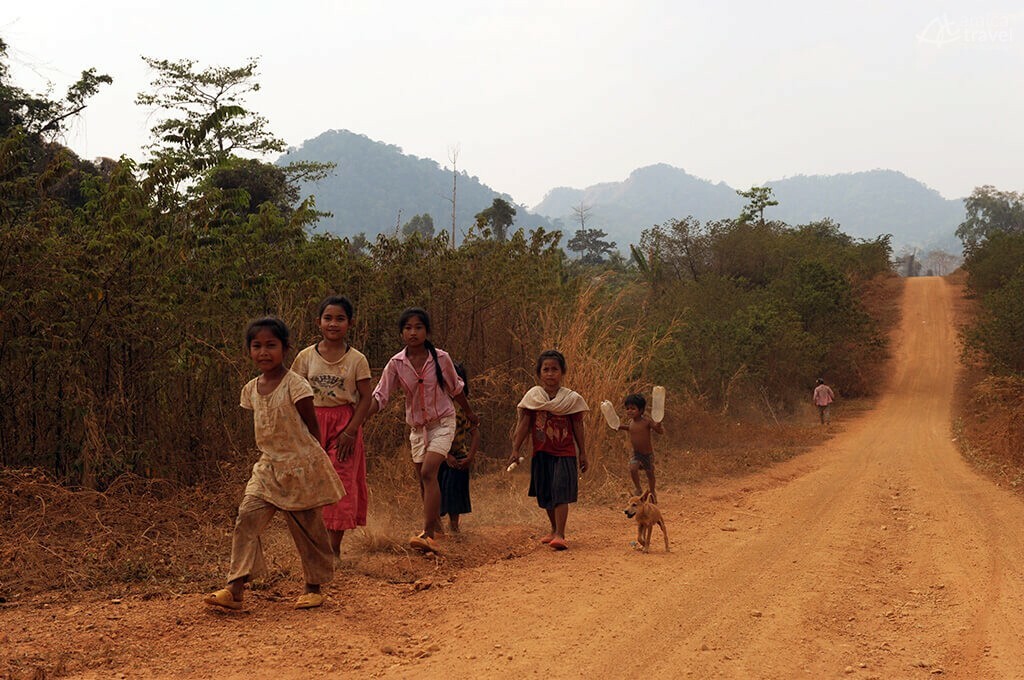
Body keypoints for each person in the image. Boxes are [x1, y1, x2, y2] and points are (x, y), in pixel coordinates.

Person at [203, 317, 344, 612]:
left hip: (300, 466)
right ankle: (235, 588)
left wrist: (314, 462)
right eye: (257, 346)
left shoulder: (296, 385)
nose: (263, 352)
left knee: (307, 529)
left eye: (271, 345)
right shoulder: (250, 389)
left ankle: (313, 587)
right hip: (268, 467)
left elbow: (311, 426)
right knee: (247, 518)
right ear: (249, 350)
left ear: (284, 348)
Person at [368, 308, 479, 554]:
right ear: (401, 333)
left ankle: (427, 534)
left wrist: (469, 413)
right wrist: (362, 415)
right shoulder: (396, 364)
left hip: (443, 423)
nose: (413, 332)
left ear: (427, 331)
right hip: (418, 428)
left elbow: (456, 388)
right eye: (408, 328)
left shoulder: (441, 358)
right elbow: (381, 395)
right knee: (423, 479)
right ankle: (436, 527)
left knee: (429, 472)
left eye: (418, 327)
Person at [291, 296, 372, 559]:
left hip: (344, 425)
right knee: (314, 484)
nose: (333, 324)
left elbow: (366, 398)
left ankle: (332, 549)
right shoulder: (305, 357)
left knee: (340, 484)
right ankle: (316, 544)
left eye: (340, 319)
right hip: (311, 423)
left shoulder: (357, 360)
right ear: (318, 322)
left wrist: (351, 430)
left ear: (350, 323)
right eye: (328, 318)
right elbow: (293, 392)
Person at [508, 349, 589, 551]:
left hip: (564, 452)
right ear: (539, 373)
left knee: (560, 491)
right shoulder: (534, 397)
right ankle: (553, 529)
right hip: (541, 452)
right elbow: (524, 424)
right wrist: (515, 449)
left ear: (562, 372)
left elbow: (578, 426)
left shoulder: (571, 399)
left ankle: (561, 534)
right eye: (546, 369)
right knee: (546, 494)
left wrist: (583, 452)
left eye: (555, 369)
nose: (550, 373)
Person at [438, 363, 480, 533]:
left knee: (455, 494)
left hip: (459, 457)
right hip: (439, 456)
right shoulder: (437, 406)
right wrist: (446, 455)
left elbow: (475, 433)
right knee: (438, 492)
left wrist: (470, 457)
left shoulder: (463, 409)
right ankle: (437, 528)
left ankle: (454, 528)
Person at [617, 393, 664, 503]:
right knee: (633, 469)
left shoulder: (647, 422)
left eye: (633, 408)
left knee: (650, 473)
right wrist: (619, 427)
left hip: (647, 454)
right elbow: (630, 428)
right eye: (627, 408)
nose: (629, 411)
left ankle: (652, 492)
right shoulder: (631, 422)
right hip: (636, 454)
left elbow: (659, 431)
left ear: (641, 410)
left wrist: (658, 425)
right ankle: (638, 488)